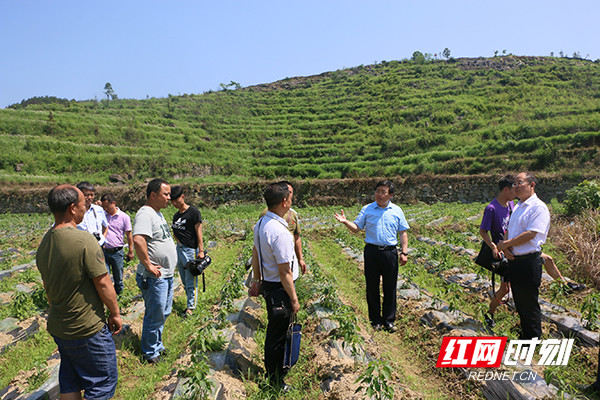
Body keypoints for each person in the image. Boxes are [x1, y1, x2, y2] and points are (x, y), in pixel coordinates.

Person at [36, 185, 122, 400]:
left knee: (69, 380)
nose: (87, 207)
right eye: (84, 204)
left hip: (60, 326)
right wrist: (115, 313)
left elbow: (48, 288)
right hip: (86, 329)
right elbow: (103, 284)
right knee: (102, 383)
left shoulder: (45, 242)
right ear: (73, 208)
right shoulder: (83, 240)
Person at [483, 176, 584, 328]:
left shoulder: (513, 205)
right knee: (505, 288)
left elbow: (514, 230)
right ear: (506, 189)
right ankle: (490, 313)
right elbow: (485, 231)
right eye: (513, 187)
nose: (515, 191)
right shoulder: (492, 208)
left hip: (515, 249)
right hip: (504, 251)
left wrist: (509, 245)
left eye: (519, 185)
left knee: (547, 259)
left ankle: (564, 285)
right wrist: (497, 248)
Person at [334, 179, 409, 333]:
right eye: (377, 191)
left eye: (383, 192)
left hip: (390, 252)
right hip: (372, 252)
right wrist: (346, 222)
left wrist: (404, 252)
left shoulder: (397, 210)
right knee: (372, 286)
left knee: (390, 287)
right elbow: (357, 228)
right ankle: (375, 320)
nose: (379, 195)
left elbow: (403, 232)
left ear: (390, 195)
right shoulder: (367, 209)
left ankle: (389, 320)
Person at [249, 182, 299, 390]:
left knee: (274, 331)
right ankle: (275, 380)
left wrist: (257, 280)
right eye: (290, 197)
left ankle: (273, 371)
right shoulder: (280, 232)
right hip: (279, 289)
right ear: (285, 201)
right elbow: (285, 272)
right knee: (278, 335)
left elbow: (255, 253)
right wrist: (294, 299)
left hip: (270, 285)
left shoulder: (261, 224)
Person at [497, 172, 550, 340]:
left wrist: (506, 244)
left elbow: (531, 234)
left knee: (529, 303)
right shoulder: (518, 205)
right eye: (514, 184)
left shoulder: (538, 207)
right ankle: (525, 334)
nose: (516, 186)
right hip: (515, 261)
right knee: (519, 301)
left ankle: (532, 339)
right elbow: (508, 230)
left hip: (528, 261)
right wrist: (506, 249)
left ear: (532, 185)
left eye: (520, 183)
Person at [133, 178, 177, 364]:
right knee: (155, 312)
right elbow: (138, 240)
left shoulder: (157, 213)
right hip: (154, 276)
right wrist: (149, 264)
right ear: (153, 195)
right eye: (165, 194)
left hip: (166, 274)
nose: (169, 197)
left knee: (164, 312)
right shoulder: (145, 214)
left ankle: (157, 345)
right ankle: (149, 352)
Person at [258, 181, 307, 276]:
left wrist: (300, 258)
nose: (290, 195)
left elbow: (296, 236)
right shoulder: (265, 216)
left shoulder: (293, 214)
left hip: (288, 260)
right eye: (288, 192)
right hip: (273, 265)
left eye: (291, 192)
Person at [170, 185, 205, 316]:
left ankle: (191, 307)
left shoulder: (193, 212)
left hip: (190, 250)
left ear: (183, 197)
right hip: (179, 250)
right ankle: (189, 301)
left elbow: (199, 232)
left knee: (191, 280)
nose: (173, 203)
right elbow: (175, 232)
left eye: (176, 200)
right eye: (171, 201)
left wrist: (200, 250)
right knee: (184, 280)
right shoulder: (175, 216)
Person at [100, 193, 134, 296]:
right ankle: (109, 299)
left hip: (117, 252)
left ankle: (119, 299)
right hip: (104, 251)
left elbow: (129, 235)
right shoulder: (103, 216)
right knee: (105, 278)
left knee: (118, 279)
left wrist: (131, 251)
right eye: (103, 207)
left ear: (113, 203)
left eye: (107, 206)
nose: (105, 209)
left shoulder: (124, 217)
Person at [76, 182, 108, 247]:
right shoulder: (74, 211)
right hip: (81, 247)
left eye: (92, 195)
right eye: (86, 195)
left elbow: (105, 226)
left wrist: (103, 239)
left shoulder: (99, 210)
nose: (89, 197)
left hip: (98, 246)